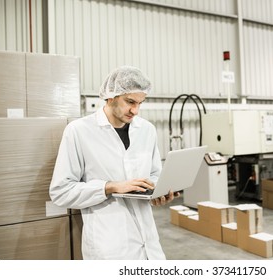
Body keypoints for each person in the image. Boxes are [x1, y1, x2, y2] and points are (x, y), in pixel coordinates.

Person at [50, 66, 178, 260]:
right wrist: (110, 187)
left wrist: (156, 193)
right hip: (109, 248)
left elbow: (154, 175)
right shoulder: (79, 131)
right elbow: (61, 192)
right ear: (111, 96)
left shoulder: (146, 130)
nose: (135, 110)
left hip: (149, 244)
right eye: (130, 102)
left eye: (140, 103)